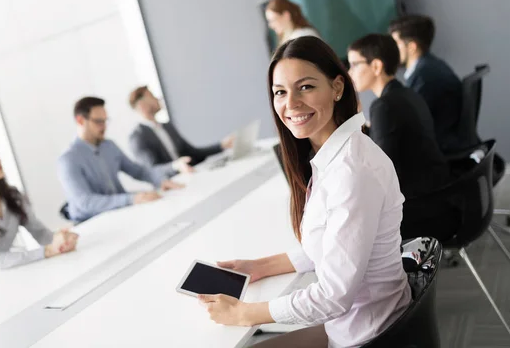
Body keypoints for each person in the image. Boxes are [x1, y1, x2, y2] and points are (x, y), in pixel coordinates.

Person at [198, 36, 411, 348]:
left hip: (369, 335)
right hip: (357, 325)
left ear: (338, 88)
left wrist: (247, 314)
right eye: (280, 92)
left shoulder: (352, 171)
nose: (291, 104)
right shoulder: (334, 156)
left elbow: (333, 297)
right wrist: (261, 266)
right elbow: (334, 242)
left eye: (306, 87)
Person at [0, 135, 78, 288]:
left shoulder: (13, 197)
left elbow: (39, 232)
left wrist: (61, 241)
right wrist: (48, 251)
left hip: (6, 273)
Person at [347, 33, 449, 199]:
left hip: (418, 202)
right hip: (436, 188)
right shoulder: (406, 92)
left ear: (376, 67)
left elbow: (379, 168)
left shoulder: (384, 106)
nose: (349, 72)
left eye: (354, 65)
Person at [57, 97, 183, 223]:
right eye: (98, 122)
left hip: (120, 214)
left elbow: (138, 171)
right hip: (91, 223)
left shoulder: (109, 146)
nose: (104, 126)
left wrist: (160, 180)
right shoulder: (68, 160)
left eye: (106, 121)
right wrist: (132, 199)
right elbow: (85, 202)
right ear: (80, 121)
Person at [389, 15, 463, 153]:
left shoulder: (425, 78)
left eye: (395, 43)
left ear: (411, 47)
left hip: (439, 149)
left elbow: (413, 122)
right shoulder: (430, 67)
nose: (391, 50)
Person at [128, 86, 234, 175]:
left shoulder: (167, 127)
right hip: (172, 186)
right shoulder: (138, 137)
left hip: (192, 175)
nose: (158, 99)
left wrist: (221, 145)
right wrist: (175, 166)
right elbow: (151, 171)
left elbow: (192, 153)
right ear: (142, 106)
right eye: (152, 96)